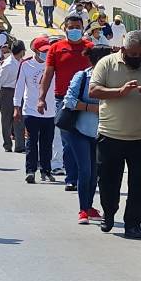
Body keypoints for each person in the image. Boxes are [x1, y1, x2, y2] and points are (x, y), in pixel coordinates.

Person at [89, 31, 141, 238]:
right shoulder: (107, 63)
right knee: (108, 181)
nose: (137, 58)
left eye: (140, 55)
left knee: (139, 184)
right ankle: (109, 213)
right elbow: (93, 91)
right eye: (133, 54)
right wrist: (119, 92)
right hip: (110, 135)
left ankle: (132, 223)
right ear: (123, 50)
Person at [38, 15, 93, 189]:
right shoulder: (56, 48)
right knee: (67, 141)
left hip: (87, 100)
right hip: (63, 100)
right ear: (65, 28)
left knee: (87, 138)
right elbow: (47, 74)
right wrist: (41, 98)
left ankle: (86, 177)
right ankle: (71, 178)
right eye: (71, 27)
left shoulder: (90, 48)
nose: (75, 30)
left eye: (78, 26)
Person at [63, 45, 111, 224]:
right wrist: (92, 108)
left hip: (103, 133)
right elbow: (69, 101)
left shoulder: (113, 79)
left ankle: (89, 206)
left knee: (95, 172)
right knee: (85, 170)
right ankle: (83, 209)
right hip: (79, 130)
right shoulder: (82, 76)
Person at [16, 37, 56, 184]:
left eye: (47, 51)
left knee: (47, 142)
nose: (46, 54)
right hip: (31, 110)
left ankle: (46, 170)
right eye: (43, 51)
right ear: (35, 51)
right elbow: (19, 86)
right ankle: (30, 170)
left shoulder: (52, 64)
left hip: (50, 110)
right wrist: (16, 107)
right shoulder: (26, 64)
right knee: (32, 142)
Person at [0, 40, 26, 153]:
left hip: (19, 92)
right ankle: (7, 144)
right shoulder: (8, 64)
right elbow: (0, 81)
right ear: (21, 51)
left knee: (19, 119)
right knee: (6, 120)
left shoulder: (21, 62)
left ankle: (20, 145)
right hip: (7, 92)